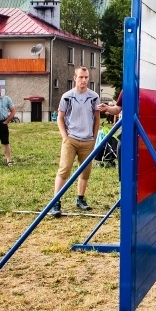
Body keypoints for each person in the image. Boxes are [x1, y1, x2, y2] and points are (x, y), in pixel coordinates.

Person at [50, 66, 100, 217]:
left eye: (86, 77)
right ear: (75, 78)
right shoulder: (67, 96)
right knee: (64, 169)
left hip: (88, 140)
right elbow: (60, 117)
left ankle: (80, 199)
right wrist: (65, 137)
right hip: (71, 139)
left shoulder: (94, 97)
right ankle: (56, 202)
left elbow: (97, 118)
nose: (83, 80)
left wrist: (94, 136)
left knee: (85, 171)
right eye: (81, 77)